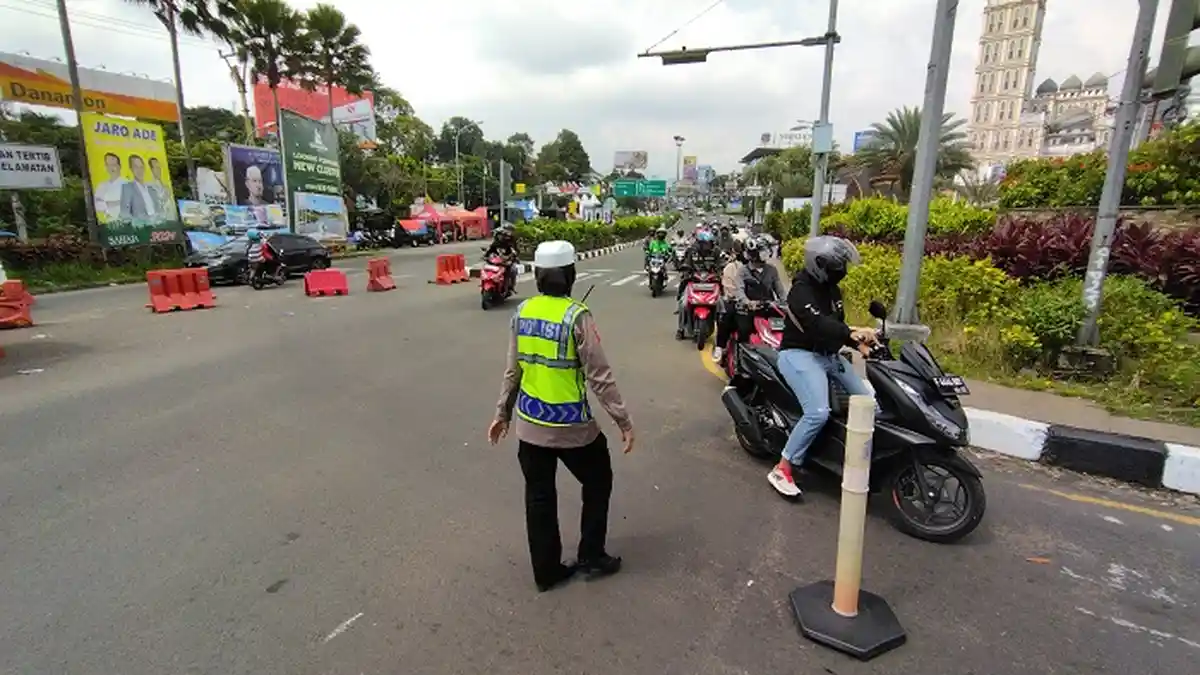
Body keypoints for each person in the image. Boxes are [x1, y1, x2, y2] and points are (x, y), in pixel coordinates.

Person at [488, 240, 634, 592]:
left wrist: (502, 413)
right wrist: (623, 421)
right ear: (571, 276)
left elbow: (513, 370)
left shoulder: (522, 313)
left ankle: (546, 571)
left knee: (539, 497)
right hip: (574, 430)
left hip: (530, 427)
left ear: (537, 277)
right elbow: (600, 376)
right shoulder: (577, 316)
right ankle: (591, 554)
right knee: (598, 482)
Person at [768, 236, 877, 498]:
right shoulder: (800, 291)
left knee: (869, 402)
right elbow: (818, 325)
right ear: (820, 264)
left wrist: (858, 342)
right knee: (818, 412)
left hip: (829, 356)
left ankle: (853, 459)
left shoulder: (832, 290)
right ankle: (783, 467)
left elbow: (835, 327)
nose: (841, 271)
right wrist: (850, 335)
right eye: (837, 265)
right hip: (799, 354)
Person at [712, 240, 746, 362]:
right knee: (727, 317)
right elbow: (729, 289)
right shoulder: (731, 267)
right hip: (737, 302)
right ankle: (720, 347)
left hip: (756, 303)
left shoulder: (767, 270)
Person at [119, 154, 157, 220]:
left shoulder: (152, 189)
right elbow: (125, 214)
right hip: (142, 227)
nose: (139, 170)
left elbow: (159, 210)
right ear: (131, 169)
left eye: (141, 167)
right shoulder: (127, 188)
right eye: (136, 167)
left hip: (158, 226)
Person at [484, 224, 521, 290]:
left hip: (507, 260)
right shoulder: (495, 243)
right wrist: (486, 256)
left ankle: (510, 286)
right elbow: (489, 250)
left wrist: (514, 257)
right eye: (499, 235)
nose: (500, 236)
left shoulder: (511, 243)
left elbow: (515, 251)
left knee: (513, 270)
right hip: (496, 260)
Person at [94, 152, 126, 220]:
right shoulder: (102, 186)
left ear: (119, 166)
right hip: (110, 222)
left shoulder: (127, 184)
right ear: (106, 167)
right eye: (108, 165)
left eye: (114, 164)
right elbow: (96, 205)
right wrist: (116, 203)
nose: (111, 168)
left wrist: (106, 203)